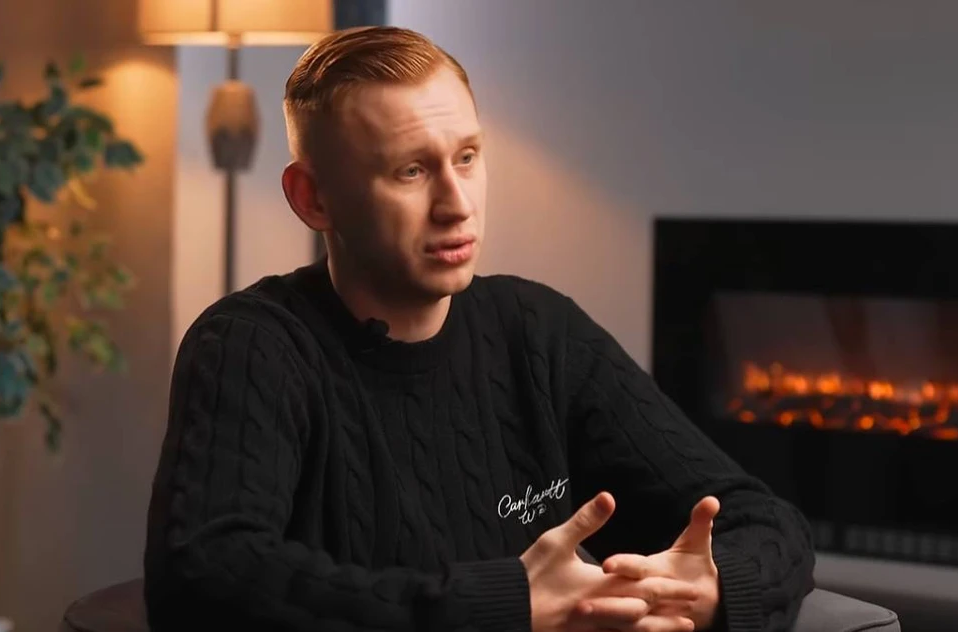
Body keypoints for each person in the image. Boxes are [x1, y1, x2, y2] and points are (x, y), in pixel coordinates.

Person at [143, 25, 815, 632]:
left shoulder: (537, 331)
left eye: (466, 157)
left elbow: (762, 519)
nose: (456, 204)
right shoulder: (251, 346)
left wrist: (715, 587)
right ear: (313, 198)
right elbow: (203, 577)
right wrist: (505, 604)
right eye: (411, 170)